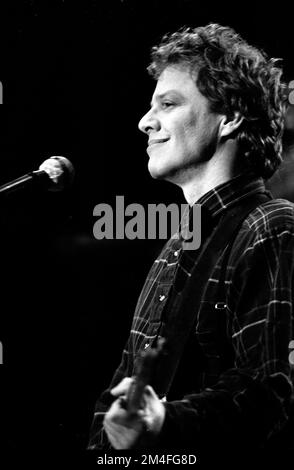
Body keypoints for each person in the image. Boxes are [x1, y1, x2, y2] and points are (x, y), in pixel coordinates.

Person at [87, 23, 294, 460]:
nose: (146, 121)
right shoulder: (179, 244)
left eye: (169, 103)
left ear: (231, 116)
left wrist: (164, 424)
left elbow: (270, 391)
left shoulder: (272, 226)